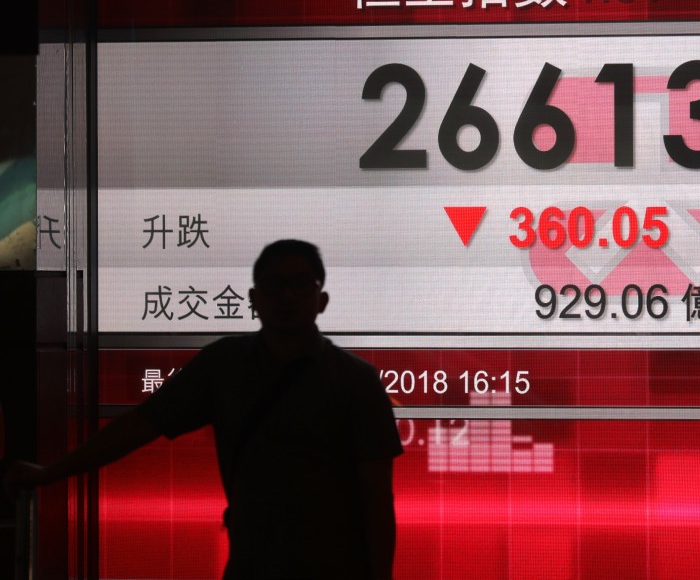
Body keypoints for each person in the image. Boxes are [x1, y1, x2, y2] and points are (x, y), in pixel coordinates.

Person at [3, 239, 403, 579]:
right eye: (274, 284)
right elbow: (138, 426)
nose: (287, 295)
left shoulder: (356, 382)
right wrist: (53, 473)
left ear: (322, 299)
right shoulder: (223, 366)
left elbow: (377, 501)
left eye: (300, 284)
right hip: (253, 565)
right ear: (253, 298)